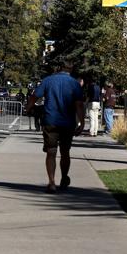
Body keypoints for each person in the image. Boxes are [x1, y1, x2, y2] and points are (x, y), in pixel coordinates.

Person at [27, 62, 85, 194]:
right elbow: (79, 105)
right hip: (67, 122)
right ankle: (64, 178)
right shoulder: (74, 84)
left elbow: (35, 96)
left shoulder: (48, 80)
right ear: (71, 69)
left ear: (59, 68)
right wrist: (81, 123)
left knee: (51, 152)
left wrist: (28, 108)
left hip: (50, 121)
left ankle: (51, 182)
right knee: (65, 152)